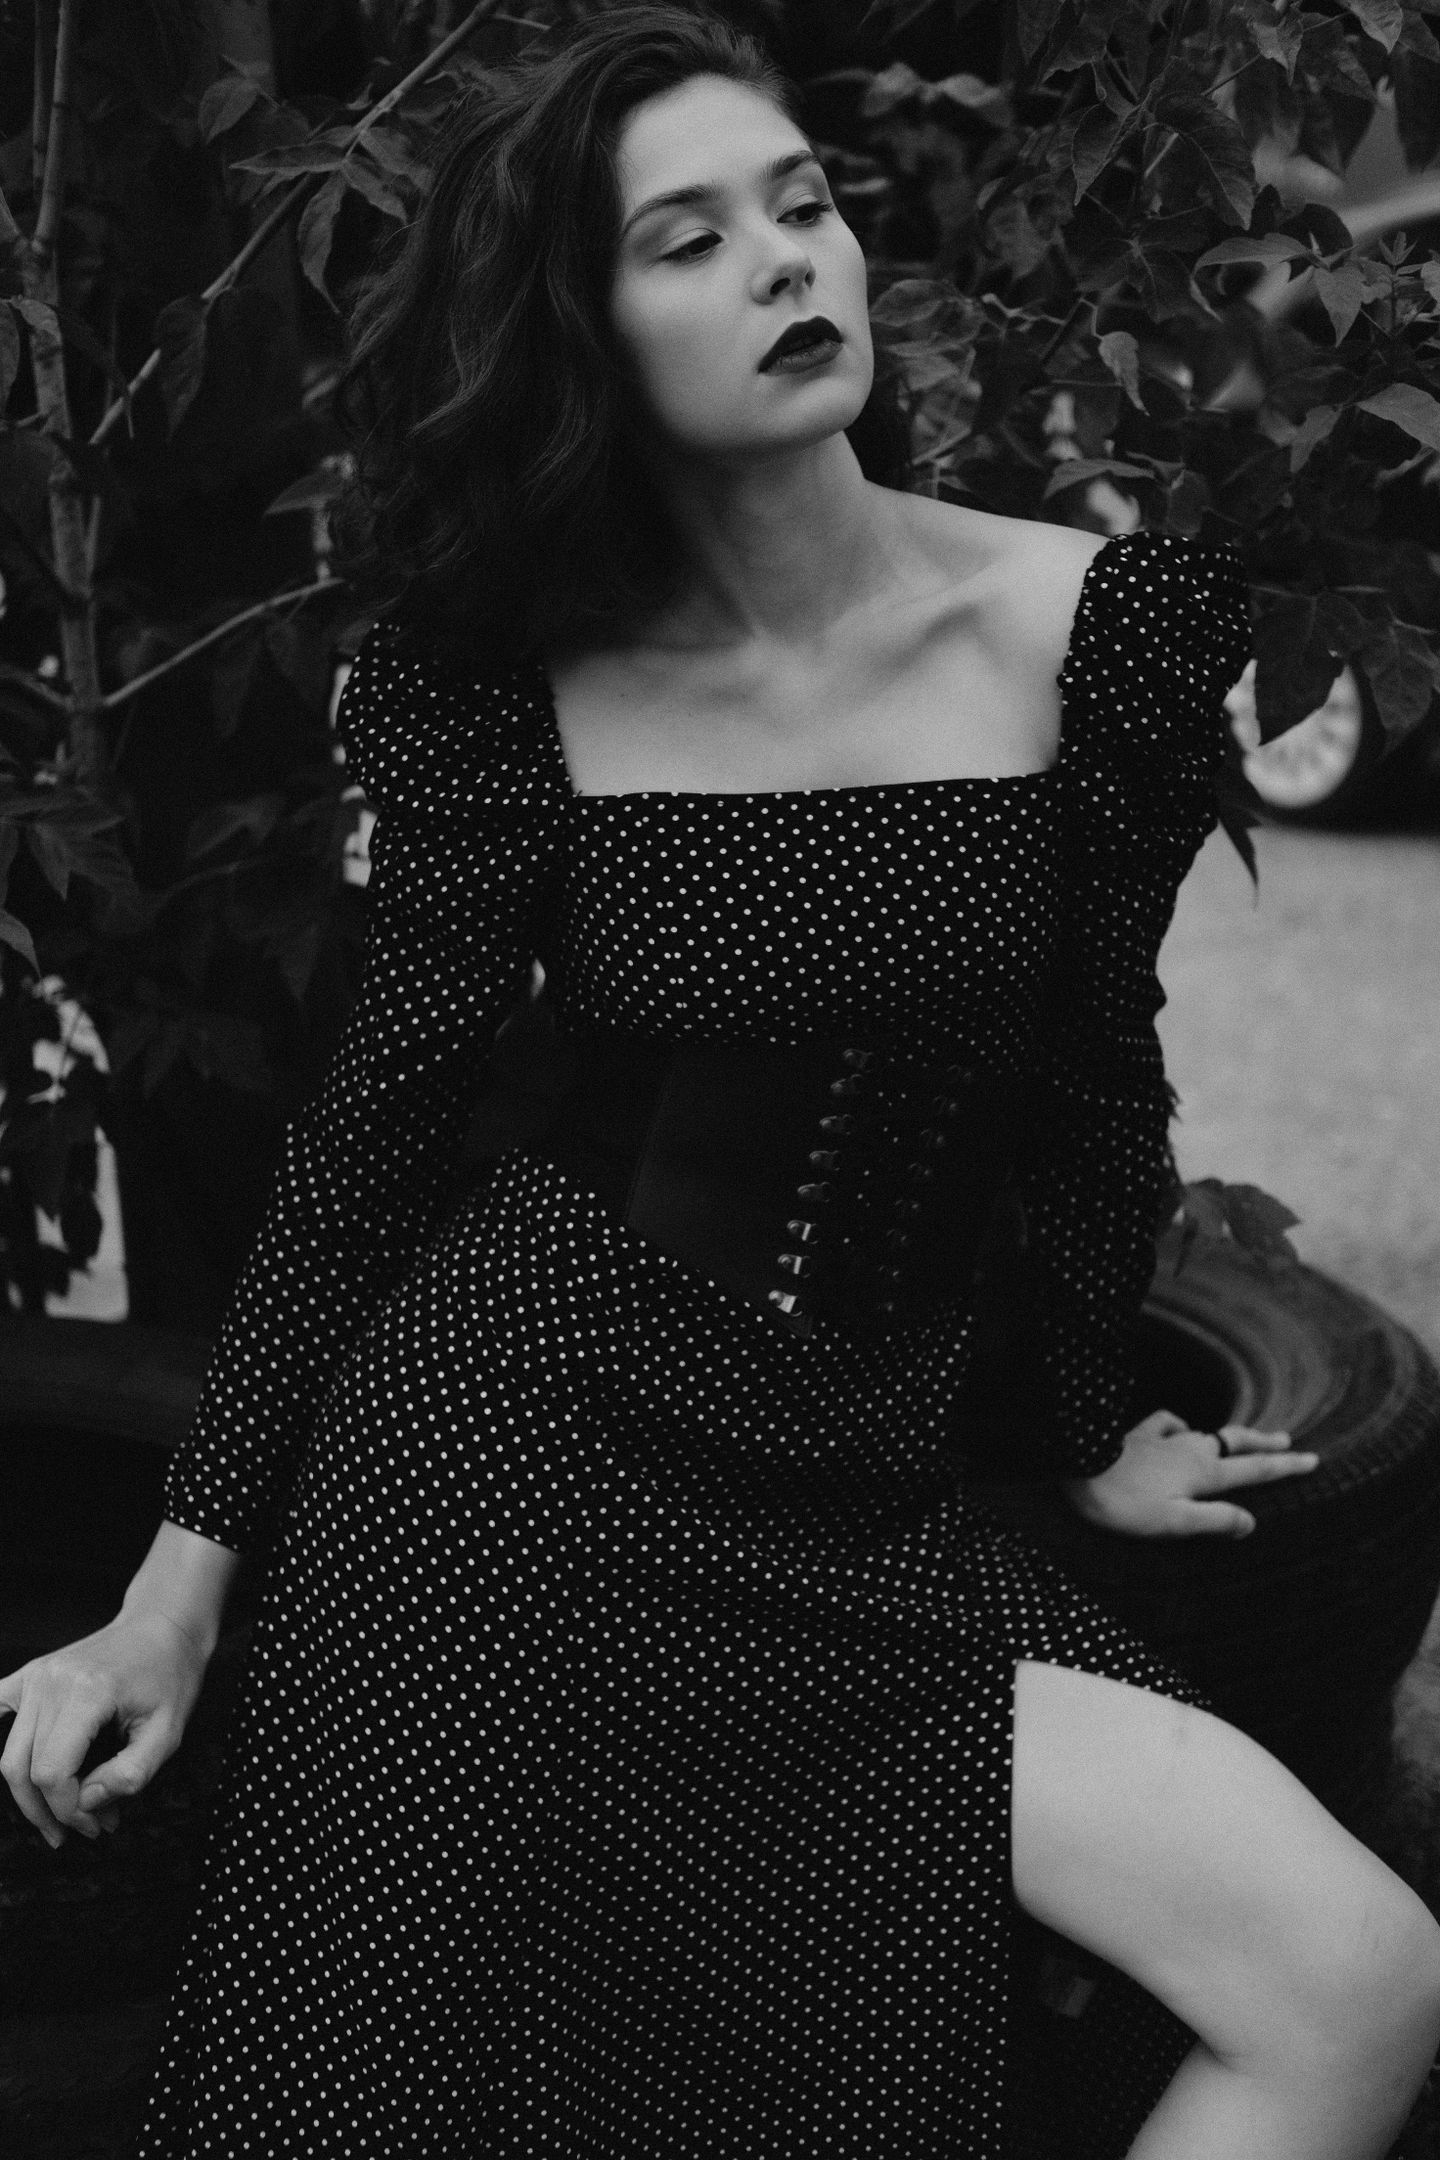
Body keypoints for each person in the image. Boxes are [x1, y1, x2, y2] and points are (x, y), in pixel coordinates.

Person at [4, 8, 1439, 2155]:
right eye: (688, 240)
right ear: (581, 338)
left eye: (803, 204)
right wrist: (166, 1598)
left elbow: (1087, 1073)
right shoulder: (503, 693)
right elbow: (373, 1146)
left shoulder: (1096, 626)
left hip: (863, 1506)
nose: (786, 260)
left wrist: (1079, 1431)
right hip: (515, 1474)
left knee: (1349, 1974)